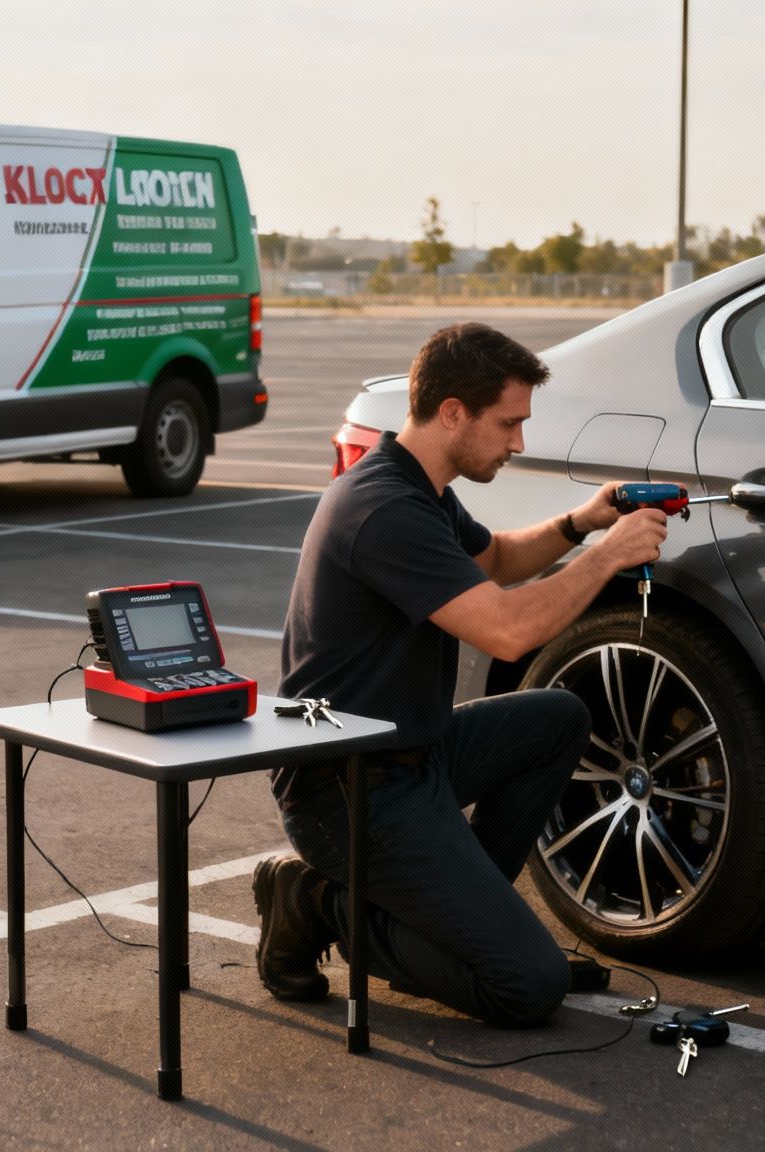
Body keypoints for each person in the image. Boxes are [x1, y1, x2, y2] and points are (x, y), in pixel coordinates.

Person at [254, 321, 668, 1027]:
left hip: (416, 757)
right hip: (349, 790)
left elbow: (497, 560)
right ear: (453, 413)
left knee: (557, 718)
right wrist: (609, 558)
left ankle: (469, 931)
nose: (518, 443)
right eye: (508, 423)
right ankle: (316, 901)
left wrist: (583, 523)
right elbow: (508, 630)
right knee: (528, 988)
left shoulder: (420, 490)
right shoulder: (383, 507)